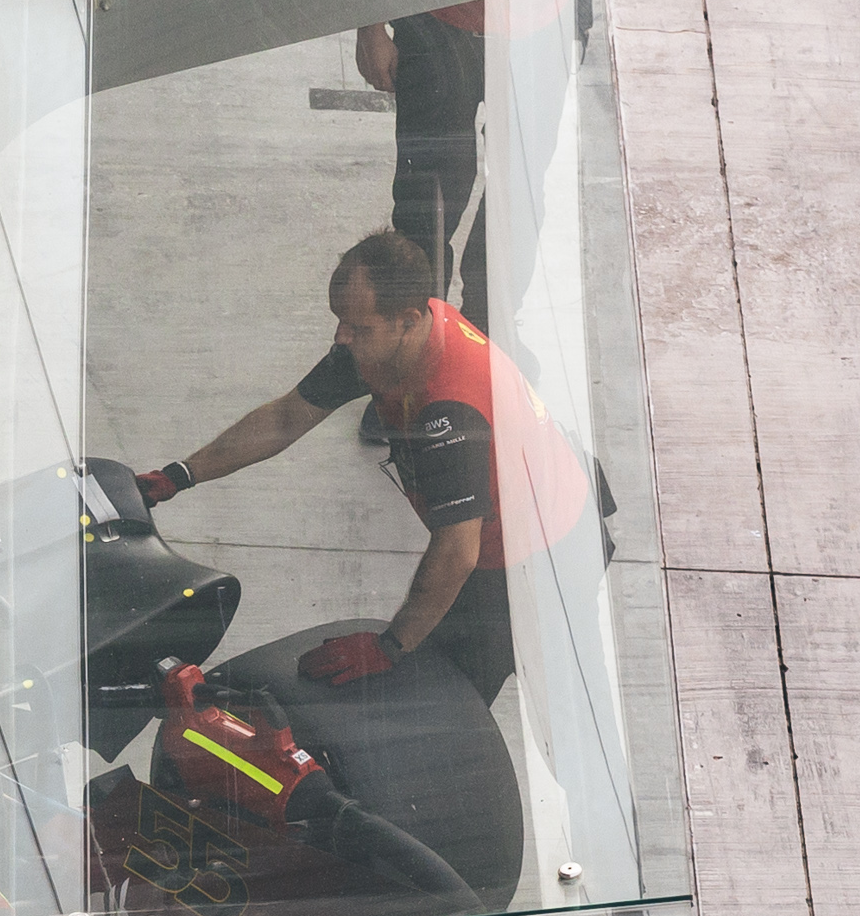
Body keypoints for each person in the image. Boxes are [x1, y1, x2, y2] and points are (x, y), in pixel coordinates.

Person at [131, 229, 600, 708]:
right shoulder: (387, 344)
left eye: (358, 327)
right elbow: (287, 417)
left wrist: (390, 645)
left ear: (408, 320)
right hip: (524, 513)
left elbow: (459, 551)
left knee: (443, 705)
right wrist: (180, 475)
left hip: (541, 558)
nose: (341, 337)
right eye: (340, 321)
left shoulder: (450, 411)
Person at [344, 0, 701, 314]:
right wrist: (369, 29)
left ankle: (487, 339)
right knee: (429, 202)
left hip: (541, 29)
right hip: (439, 28)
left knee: (517, 198)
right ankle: (418, 340)